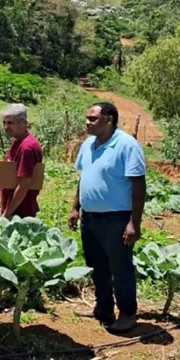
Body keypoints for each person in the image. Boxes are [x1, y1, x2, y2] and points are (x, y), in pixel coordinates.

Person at [69, 102, 146, 333]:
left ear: (109, 119)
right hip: (90, 219)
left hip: (116, 219)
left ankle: (128, 313)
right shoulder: (88, 145)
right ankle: (103, 307)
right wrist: (75, 208)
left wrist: (134, 222)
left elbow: (138, 184)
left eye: (93, 119)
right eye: (87, 118)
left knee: (120, 267)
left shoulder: (126, 145)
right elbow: (85, 178)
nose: (87, 122)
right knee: (96, 265)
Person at [0, 104, 43, 219]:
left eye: (10, 123)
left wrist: (7, 214)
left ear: (24, 123)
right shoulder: (17, 141)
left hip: (21, 213)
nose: (6, 127)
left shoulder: (27, 147)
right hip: (13, 210)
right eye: (4, 123)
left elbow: (24, 184)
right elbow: (9, 176)